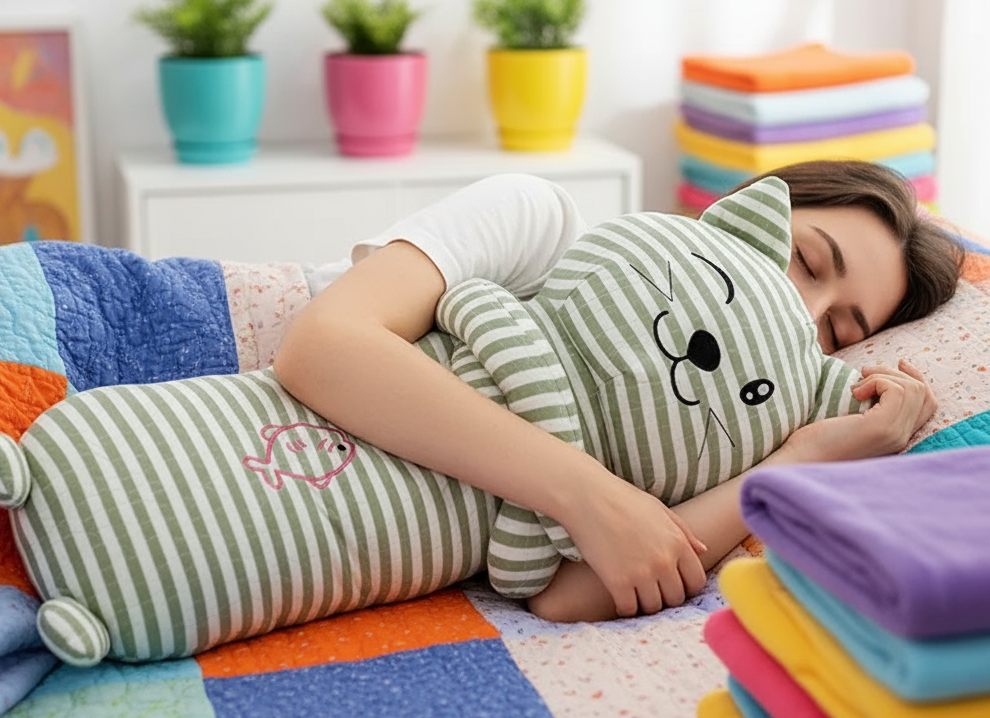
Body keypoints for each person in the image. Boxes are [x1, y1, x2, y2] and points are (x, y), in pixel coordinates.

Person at [273, 159, 963, 625]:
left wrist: (800, 461)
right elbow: (321, 343)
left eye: (834, 331)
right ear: (740, 213)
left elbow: (573, 594)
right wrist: (590, 494)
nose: (792, 307)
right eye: (805, 260)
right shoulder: (534, 221)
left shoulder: (687, 427)